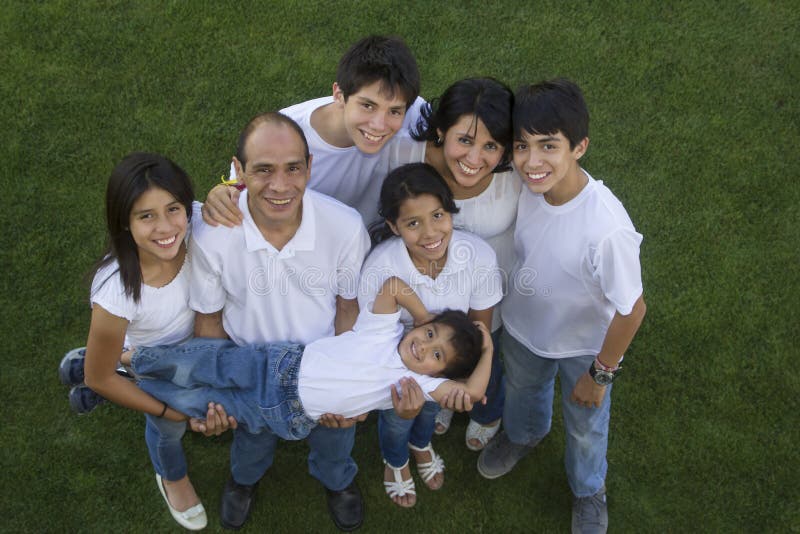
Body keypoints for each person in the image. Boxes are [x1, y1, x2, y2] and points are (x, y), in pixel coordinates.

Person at [476, 79, 647, 534]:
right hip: (522, 328)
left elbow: (632, 310)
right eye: (522, 146)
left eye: (549, 146)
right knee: (523, 394)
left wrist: (601, 374)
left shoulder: (607, 230)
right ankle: (523, 436)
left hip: (584, 349)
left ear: (580, 147)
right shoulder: (527, 186)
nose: (532, 163)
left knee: (585, 425)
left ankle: (589, 490)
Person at [189, 112, 371, 531]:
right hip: (251, 369)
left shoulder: (344, 227)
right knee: (251, 439)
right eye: (263, 171)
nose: (280, 186)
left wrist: (345, 386)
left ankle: (337, 480)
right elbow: (210, 320)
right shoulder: (211, 234)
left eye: (293, 168)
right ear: (238, 171)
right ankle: (244, 480)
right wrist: (217, 394)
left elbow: (348, 310)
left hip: (321, 363)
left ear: (309, 167)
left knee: (334, 438)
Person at [125, 277, 493, 453]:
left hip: (287, 414)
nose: (425, 347)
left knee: (202, 402)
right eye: (431, 334)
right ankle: (129, 359)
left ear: (439, 374)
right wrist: (424, 314)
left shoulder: (421, 385)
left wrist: (488, 348)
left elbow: (473, 392)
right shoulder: (384, 329)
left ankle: (127, 384)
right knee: (206, 364)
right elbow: (394, 286)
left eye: (438, 356)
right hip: (278, 366)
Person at [57, 152, 221, 530]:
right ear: (124, 223)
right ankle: (173, 477)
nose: (166, 228)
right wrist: (168, 411)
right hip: (153, 358)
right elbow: (100, 380)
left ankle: (113, 359)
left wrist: (222, 194)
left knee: (117, 365)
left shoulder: (199, 226)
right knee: (169, 430)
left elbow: (233, 200)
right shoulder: (116, 293)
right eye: (146, 216)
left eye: (173, 209)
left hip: (194, 346)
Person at [377, 77, 519, 451]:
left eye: (491, 146)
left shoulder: (517, 176)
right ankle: (444, 396)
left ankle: (488, 413)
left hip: (484, 288)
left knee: (488, 353)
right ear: (441, 131)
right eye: (465, 140)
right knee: (435, 354)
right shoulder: (405, 157)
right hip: (424, 296)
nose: (474, 160)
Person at [359, 163, 502, 507]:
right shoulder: (380, 269)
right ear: (394, 226)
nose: (430, 233)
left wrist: (460, 380)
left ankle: (421, 446)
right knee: (398, 418)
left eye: (438, 215)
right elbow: (373, 341)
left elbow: (478, 332)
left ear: (450, 208)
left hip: (441, 364)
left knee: (428, 413)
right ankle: (395, 463)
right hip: (395, 367)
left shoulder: (478, 256)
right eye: (412, 223)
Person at [203, 34, 425, 227]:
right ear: (339, 94)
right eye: (367, 106)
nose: (379, 124)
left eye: (394, 111)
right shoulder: (283, 136)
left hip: (379, 235)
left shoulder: (413, 112)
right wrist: (221, 193)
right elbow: (237, 189)